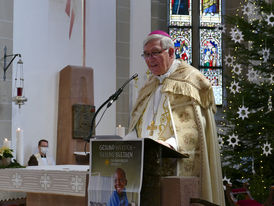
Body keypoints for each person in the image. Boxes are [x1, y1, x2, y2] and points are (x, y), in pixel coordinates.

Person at [128, 30, 225, 205]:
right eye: (146, 55)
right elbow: (137, 125)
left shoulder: (190, 80)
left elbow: (194, 127)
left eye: (155, 53)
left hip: (174, 160)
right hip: (146, 163)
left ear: (171, 52)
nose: (150, 59)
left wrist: (170, 144)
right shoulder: (148, 86)